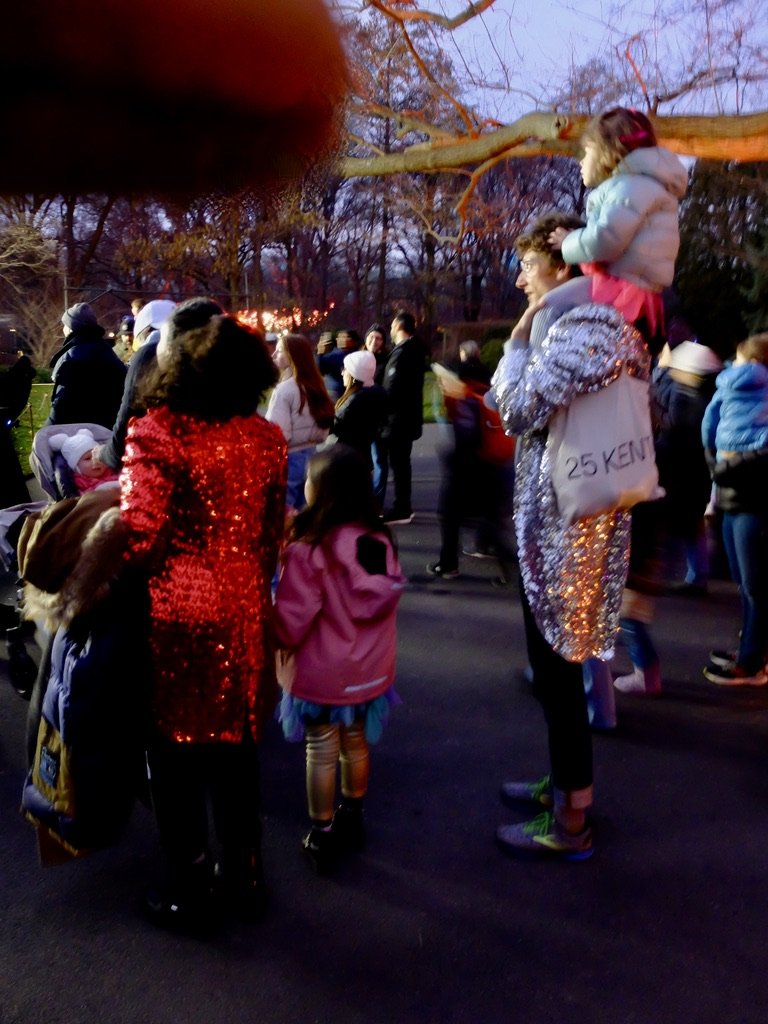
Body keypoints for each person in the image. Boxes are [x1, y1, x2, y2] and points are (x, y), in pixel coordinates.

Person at [119, 312, 287, 931]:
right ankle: (245, 876)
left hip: (177, 618)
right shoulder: (265, 438)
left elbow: (139, 537)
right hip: (245, 610)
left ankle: (187, 886)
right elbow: (273, 531)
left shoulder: (158, 431)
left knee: (175, 756)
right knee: (236, 750)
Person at [492, 298, 650, 858]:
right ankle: (563, 789)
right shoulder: (611, 336)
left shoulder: (577, 333)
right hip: (576, 529)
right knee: (557, 680)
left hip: (562, 538)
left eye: (529, 264)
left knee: (558, 681)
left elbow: (511, 407)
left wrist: (515, 344)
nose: (520, 279)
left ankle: (571, 821)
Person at [273, 444, 405, 872]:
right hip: (369, 672)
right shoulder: (380, 539)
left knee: (322, 749)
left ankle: (322, 830)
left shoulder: (311, 551)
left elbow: (293, 620)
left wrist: (270, 628)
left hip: (324, 675)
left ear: (322, 491)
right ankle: (353, 815)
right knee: (356, 743)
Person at [547, 107, 688, 345]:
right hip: (635, 290)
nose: (581, 160)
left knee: (552, 309)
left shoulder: (630, 186)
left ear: (609, 151)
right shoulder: (638, 186)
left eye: (587, 150)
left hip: (625, 294)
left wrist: (567, 242)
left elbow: (606, 239)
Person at [701, 333, 768, 686]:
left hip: (754, 500)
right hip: (734, 496)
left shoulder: (739, 392)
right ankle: (751, 651)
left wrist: (724, 465)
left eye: (741, 359)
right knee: (746, 584)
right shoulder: (729, 395)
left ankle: (753, 663)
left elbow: (711, 436)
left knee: (755, 586)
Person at [95, 298, 222, 472]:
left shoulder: (149, 355)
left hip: (169, 472)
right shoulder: (221, 360)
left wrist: (101, 454)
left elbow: (123, 437)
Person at [266, 333, 335, 509]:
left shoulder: (284, 390)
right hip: (312, 454)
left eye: (279, 351)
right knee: (306, 510)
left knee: (285, 511)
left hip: (290, 457)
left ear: (292, 356)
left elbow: (278, 432)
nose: (274, 355)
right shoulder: (316, 386)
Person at [379, 311, 427, 524]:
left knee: (398, 464)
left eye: (391, 326)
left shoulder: (403, 353)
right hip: (406, 419)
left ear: (399, 326)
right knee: (401, 464)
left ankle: (401, 507)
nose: (389, 330)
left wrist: (379, 405)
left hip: (397, 420)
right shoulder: (414, 351)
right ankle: (402, 504)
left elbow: (392, 387)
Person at [46, 303, 127, 427]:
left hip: (75, 433)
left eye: (64, 325)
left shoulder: (70, 359)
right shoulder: (109, 353)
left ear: (70, 328)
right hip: (107, 430)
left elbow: (59, 406)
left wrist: (45, 432)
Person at [330, 350, 387, 470]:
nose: (342, 373)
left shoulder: (354, 401)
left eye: (345, 369)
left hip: (347, 460)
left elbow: (333, 426)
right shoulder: (375, 394)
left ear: (354, 375)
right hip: (363, 458)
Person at [49, 428, 119, 493]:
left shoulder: (114, 469)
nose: (96, 460)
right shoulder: (80, 484)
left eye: (98, 455)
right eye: (88, 458)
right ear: (77, 468)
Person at [316, 328, 360, 402]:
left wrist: (320, 354)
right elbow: (320, 370)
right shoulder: (334, 353)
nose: (339, 339)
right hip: (330, 390)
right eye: (338, 337)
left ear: (352, 341)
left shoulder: (355, 355)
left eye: (343, 337)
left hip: (340, 392)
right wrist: (320, 353)